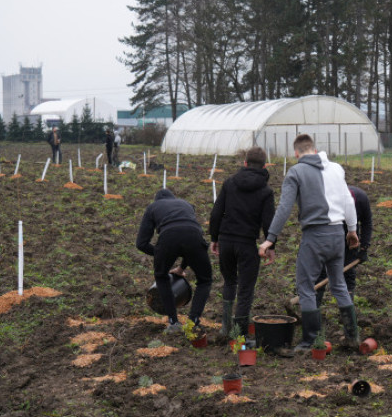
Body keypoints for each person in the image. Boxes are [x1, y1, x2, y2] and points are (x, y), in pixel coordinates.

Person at [258, 134, 360, 352]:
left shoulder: (296, 172)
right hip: (337, 234)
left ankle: (310, 341)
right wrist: (352, 230)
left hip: (315, 236)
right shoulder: (335, 169)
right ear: (314, 149)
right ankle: (353, 337)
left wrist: (270, 239)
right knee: (339, 284)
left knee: (305, 287)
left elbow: (285, 208)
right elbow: (348, 201)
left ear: (296, 153)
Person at [209, 146, 275, 339]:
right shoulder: (265, 190)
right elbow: (268, 222)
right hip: (247, 244)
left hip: (226, 241)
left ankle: (225, 328)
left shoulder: (230, 183)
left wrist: (214, 238)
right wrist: (271, 245)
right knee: (246, 288)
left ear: (245, 163)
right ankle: (239, 334)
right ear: (264, 166)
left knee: (230, 281)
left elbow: (216, 213)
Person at [136, 188, 213, 333]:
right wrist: (182, 267)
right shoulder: (186, 204)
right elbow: (187, 233)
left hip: (168, 238)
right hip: (194, 237)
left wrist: (160, 254)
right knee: (205, 280)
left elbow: (141, 243)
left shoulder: (153, 207)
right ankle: (193, 321)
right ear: (174, 198)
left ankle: (173, 322)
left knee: (161, 277)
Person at [316, 174, 372, 308]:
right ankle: (315, 307)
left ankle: (348, 310)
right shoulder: (327, 200)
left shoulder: (361, 198)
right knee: (320, 271)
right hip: (329, 229)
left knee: (349, 272)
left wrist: (364, 247)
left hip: (352, 237)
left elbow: (367, 223)